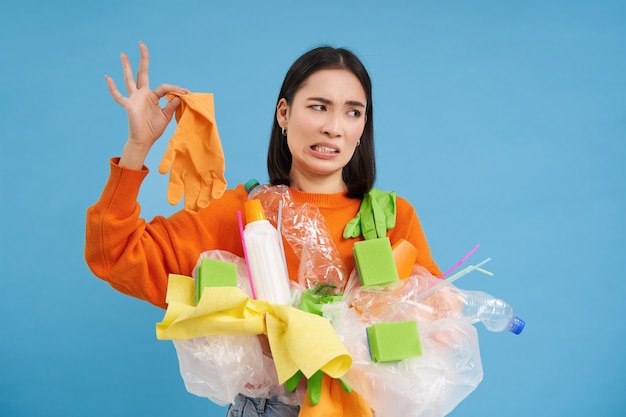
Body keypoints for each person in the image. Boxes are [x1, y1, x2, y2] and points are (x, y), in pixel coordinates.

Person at [85, 42, 442, 417]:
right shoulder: (241, 214)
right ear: (284, 114)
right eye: (318, 106)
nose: (333, 127)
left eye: (352, 112)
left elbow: (435, 322)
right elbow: (113, 254)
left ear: (362, 126)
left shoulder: (390, 219)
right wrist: (138, 147)